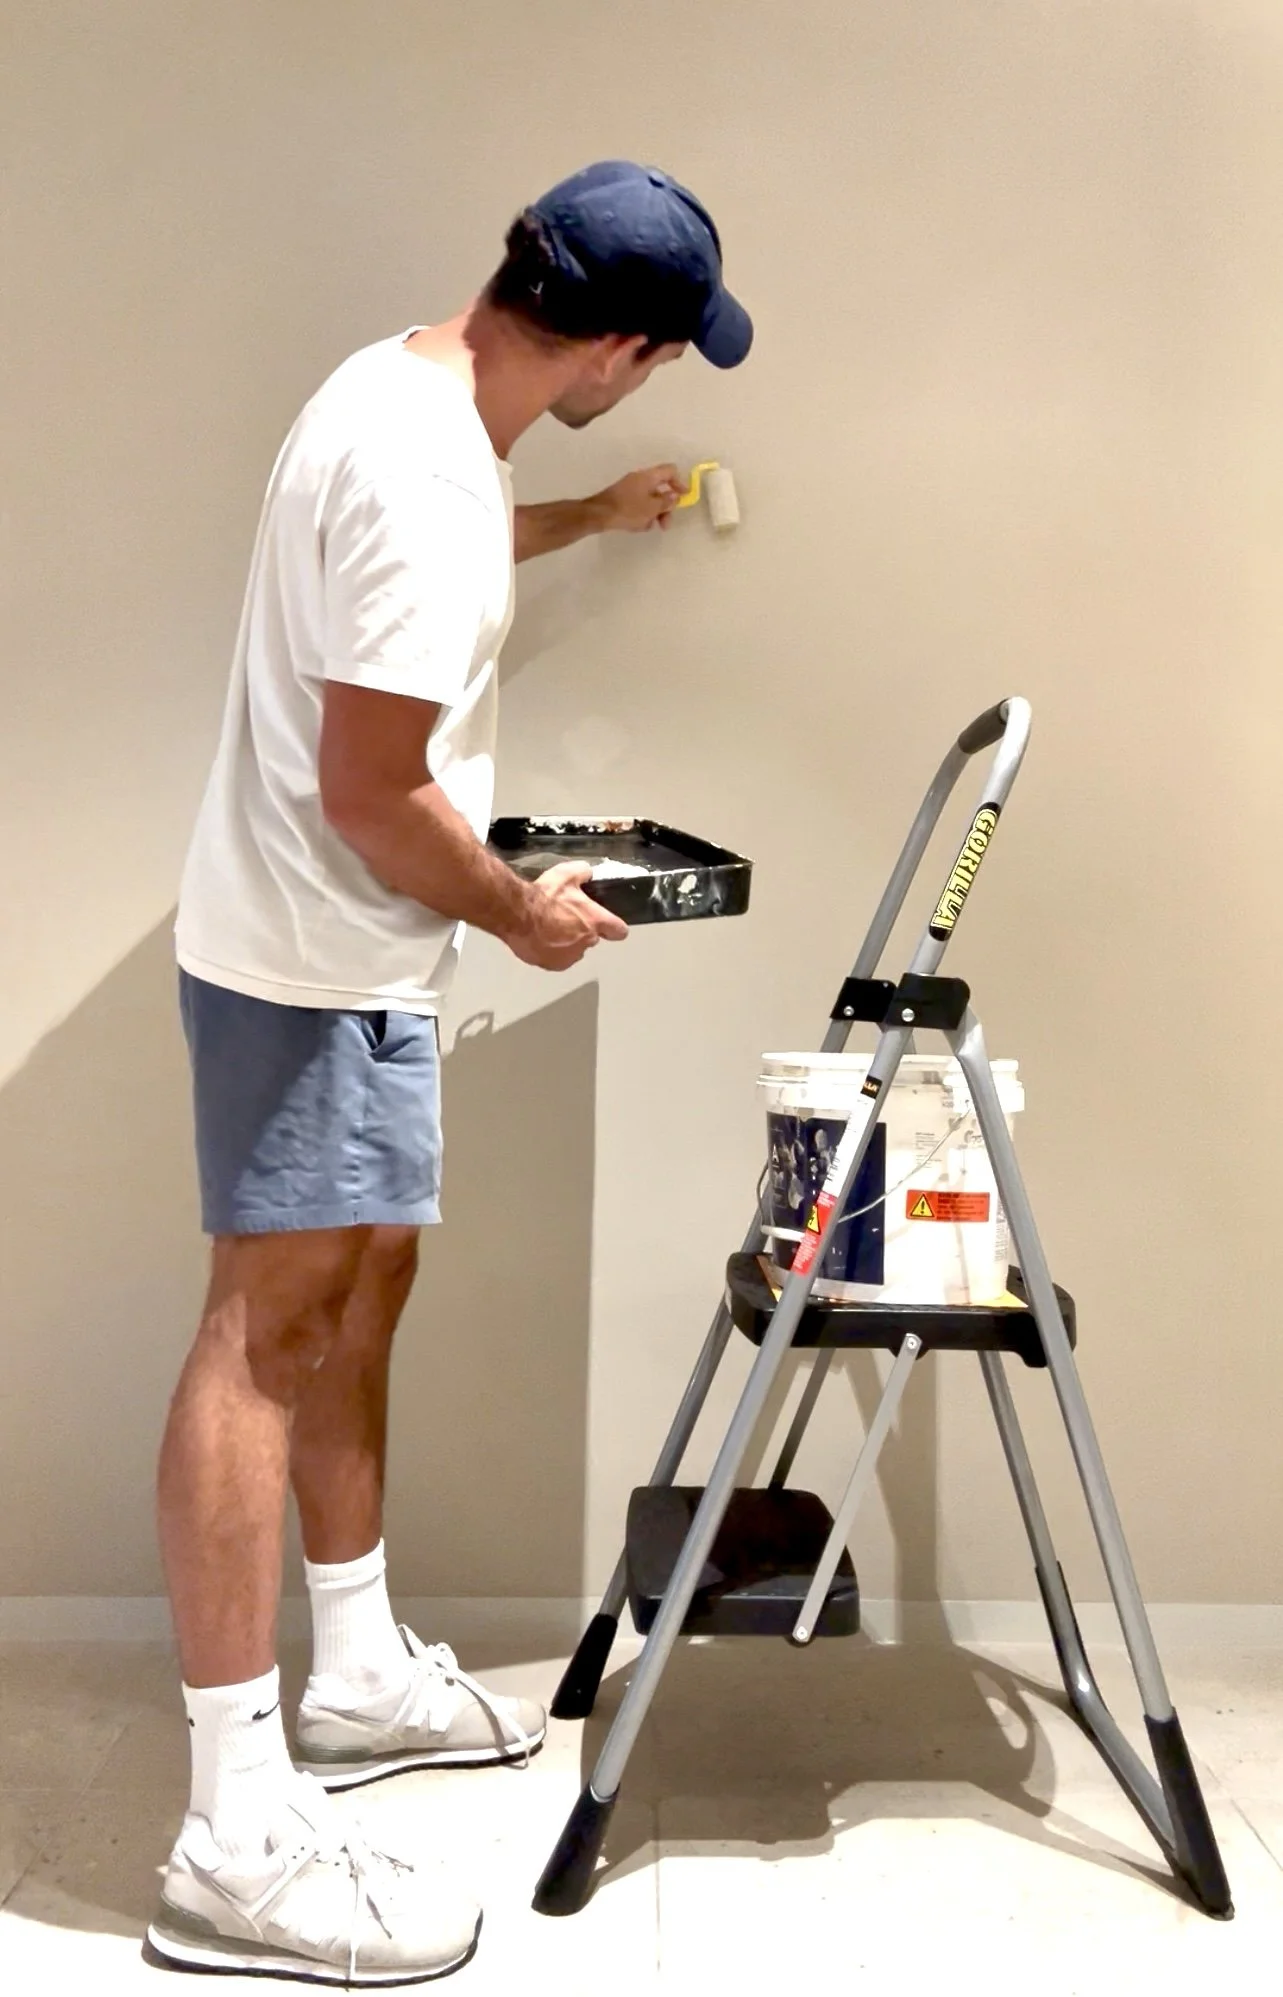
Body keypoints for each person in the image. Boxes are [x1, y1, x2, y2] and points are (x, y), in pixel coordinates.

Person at [148, 161, 751, 1983]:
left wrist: (589, 513)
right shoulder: (423, 471)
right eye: (661, 361)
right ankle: (231, 1836)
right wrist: (520, 915)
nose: (654, 384)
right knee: (266, 1334)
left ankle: (350, 1676)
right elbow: (370, 790)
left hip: (341, 959)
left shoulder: (408, 392)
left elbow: (433, 555)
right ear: (623, 347)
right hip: (319, 962)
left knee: (350, 1303)